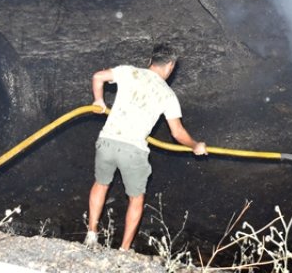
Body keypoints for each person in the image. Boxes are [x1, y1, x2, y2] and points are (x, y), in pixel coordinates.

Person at [85, 42, 207, 251]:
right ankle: (123, 250)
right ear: (170, 66)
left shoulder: (128, 72)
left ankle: (91, 234)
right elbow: (177, 133)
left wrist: (99, 101)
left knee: (101, 184)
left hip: (107, 141)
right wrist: (195, 145)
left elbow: (98, 76)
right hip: (133, 151)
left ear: (150, 61)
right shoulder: (167, 94)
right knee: (136, 198)